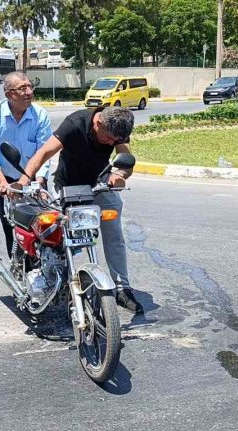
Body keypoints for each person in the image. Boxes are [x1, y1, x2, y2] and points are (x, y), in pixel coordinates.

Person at [16, 106, 143, 314]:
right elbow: (44, 152)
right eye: (109, 138)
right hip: (67, 186)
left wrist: (119, 174)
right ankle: (59, 282)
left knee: (114, 234)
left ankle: (122, 289)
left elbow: (126, 161)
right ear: (98, 122)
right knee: (58, 236)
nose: (111, 143)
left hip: (98, 183)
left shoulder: (117, 125)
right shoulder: (75, 123)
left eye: (115, 140)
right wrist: (24, 180)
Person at [0, 71, 52, 256]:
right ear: (9, 95)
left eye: (30, 86)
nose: (29, 92)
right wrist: (2, 182)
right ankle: (17, 266)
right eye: (23, 88)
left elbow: (44, 152)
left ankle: (43, 265)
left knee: (43, 224)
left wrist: (38, 180)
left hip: (34, 178)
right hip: (4, 178)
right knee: (10, 225)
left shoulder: (40, 115)